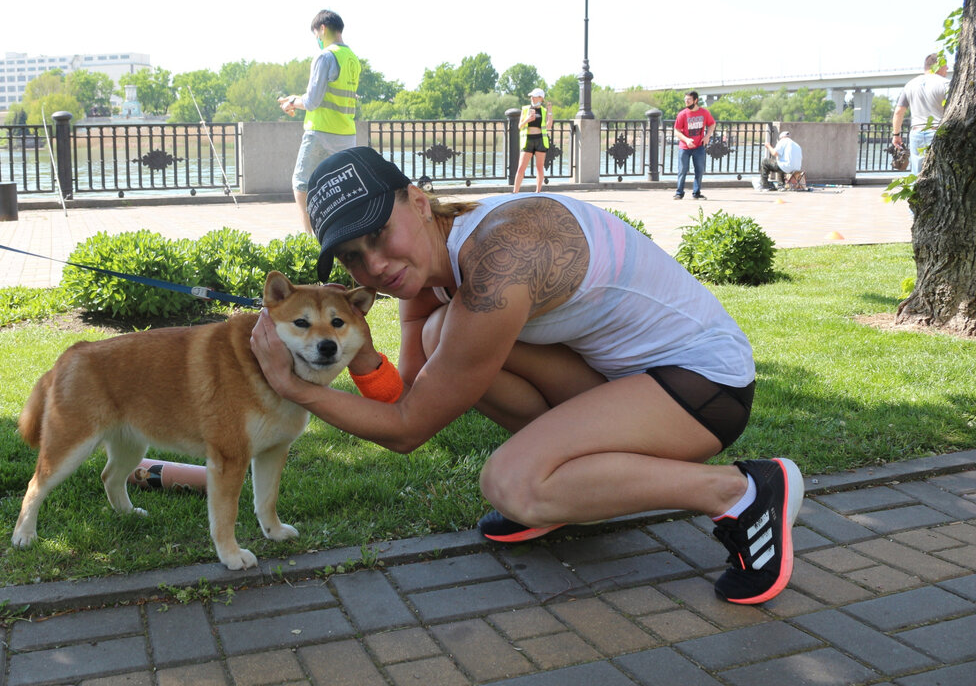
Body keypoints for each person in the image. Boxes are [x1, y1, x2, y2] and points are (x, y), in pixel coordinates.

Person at [250, 146, 804, 605]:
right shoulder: (427, 268)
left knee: (510, 483)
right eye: (351, 256)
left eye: (377, 235)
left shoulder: (501, 256)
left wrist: (293, 386)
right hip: (621, 384)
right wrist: (361, 350)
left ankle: (743, 491)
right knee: (440, 331)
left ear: (418, 201)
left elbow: (406, 428)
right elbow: (410, 394)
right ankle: (560, 494)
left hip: (702, 387)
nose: (372, 266)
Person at [279, 10, 362, 232]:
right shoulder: (353, 59)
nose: (316, 39)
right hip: (346, 134)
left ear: (322, 29)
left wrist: (292, 102)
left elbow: (313, 101)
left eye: (316, 33)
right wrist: (297, 99)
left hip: (320, 131)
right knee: (340, 188)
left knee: (301, 185)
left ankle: (309, 241)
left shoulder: (325, 56)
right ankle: (342, 233)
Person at [892, 53, 950, 176]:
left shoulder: (910, 84)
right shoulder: (946, 84)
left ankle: (916, 194)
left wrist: (896, 135)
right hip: (937, 132)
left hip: (916, 133)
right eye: (946, 65)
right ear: (938, 65)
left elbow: (898, 112)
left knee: (917, 175)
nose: (948, 68)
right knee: (940, 173)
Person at [672, 91, 715, 200]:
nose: (686, 102)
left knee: (699, 170)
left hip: (699, 147)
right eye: (685, 100)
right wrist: (686, 140)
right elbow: (676, 131)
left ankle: (696, 193)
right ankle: (679, 193)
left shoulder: (704, 113)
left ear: (695, 100)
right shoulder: (682, 114)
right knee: (682, 170)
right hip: (684, 147)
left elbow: (712, 124)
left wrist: (707, 136)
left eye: (689, 100)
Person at [513, 88, 553, 194]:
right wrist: (528, 119)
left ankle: (538, 191)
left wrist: (550, 111)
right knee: (521, 168)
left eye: (534, 96)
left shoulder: (543, 111)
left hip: (540, 140)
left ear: (541, 98)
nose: (532, 98)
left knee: (539, 168)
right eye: (531, 96)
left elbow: (549, 126)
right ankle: (515, 192)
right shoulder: (526, 109)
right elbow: (520, 126)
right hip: (528, 140)